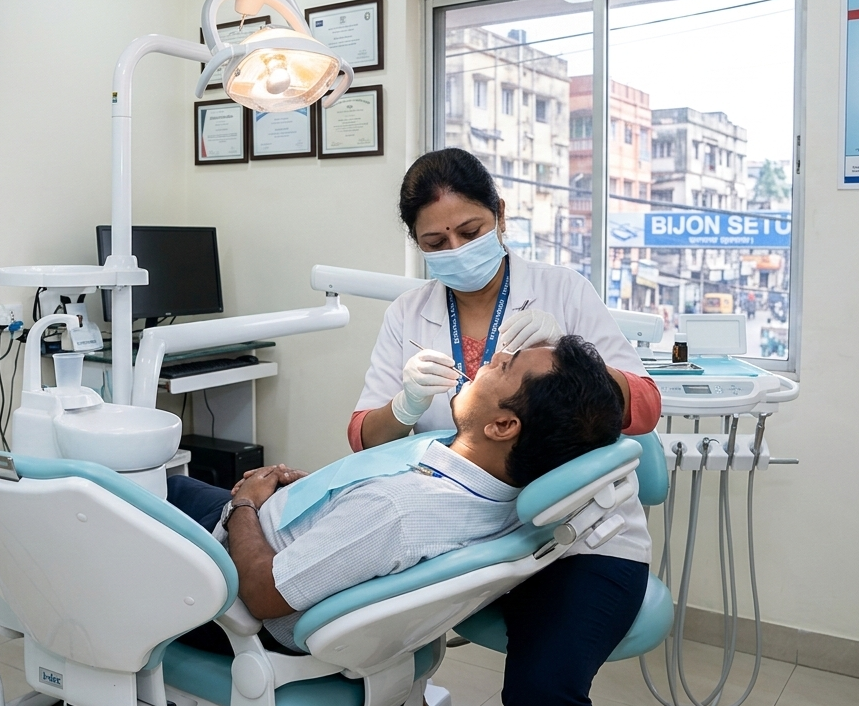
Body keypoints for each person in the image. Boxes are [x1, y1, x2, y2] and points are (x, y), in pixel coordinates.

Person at [348, 148, 662, 705]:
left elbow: (645, 405)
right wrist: (405, 404)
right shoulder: (408, 314)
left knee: (540, 690)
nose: (456, 249)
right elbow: (362, 438)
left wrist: (575, 361)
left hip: (578, 538)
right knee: (361, 641)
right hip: (459, 533)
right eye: (435, 242)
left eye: (470, 231)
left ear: (499, 213)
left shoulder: (563, 290)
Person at [166, 335, 633, 656]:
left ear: (503, 425)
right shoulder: (500, 493)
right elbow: (369, 517)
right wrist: (327, 497)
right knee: (161, 484)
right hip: (281, 526)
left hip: (229, 579)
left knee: (135, 491)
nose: (492, 359)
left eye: (504, 367)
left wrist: (245, 503)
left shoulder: (396, 513)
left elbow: (264, 595)